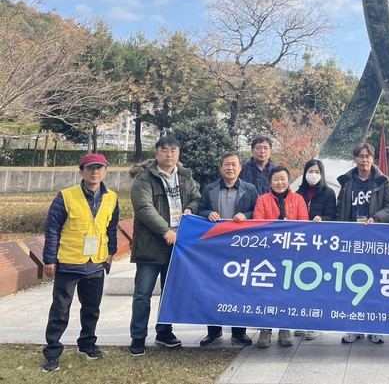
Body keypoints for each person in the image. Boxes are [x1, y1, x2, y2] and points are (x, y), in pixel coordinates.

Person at [41, 153, 119, 373]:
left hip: (96, 262)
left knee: (92, 308)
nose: (95, 172)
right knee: (60, 310)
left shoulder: (112, 198)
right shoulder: (65, 196)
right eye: (90, 168)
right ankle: (52, 352)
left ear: (105, 171)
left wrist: (111, 252)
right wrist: (49, 259)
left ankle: (87, 344)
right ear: (81, 171)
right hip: (69, 261)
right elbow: (52, 229)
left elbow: (111, 228)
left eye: (99, 168)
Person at [129, 135, 200, 357]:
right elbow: (144, 208)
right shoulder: (144, 178)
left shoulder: (185, 176)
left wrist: (191, 208)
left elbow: (197, 198)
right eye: (165, 150)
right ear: (156, 153)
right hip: (151, 244)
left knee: (170, 292)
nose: (169, 154)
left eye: (173, 150)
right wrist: (165, 230)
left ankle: (164, 332)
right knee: (143, 294)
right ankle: (138, 337)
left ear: (178, 153)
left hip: (178, 244)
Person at [337, 143, 389, 345]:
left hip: (374, 240)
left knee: (375, 283)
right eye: (360, 156)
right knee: (353, 282)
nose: (364, 160)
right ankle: (354, 327)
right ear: (354, 159)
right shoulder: (346, 182)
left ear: (373, 159)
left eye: (368, 156)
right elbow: (340, 210)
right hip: (352, 239)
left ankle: (375, 327)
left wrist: (377, 218)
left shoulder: (383, 181)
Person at [198, 152, 259, 347]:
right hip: (215, 247)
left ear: (240, 168)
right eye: (226, 164)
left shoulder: (249, 189)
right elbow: (200, 209)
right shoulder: (210, 189)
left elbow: (258, 212)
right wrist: (208, 213)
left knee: (238, 289)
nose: (230, 168)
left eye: (234, 164)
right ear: (220, 167)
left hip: (240, 247)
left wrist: (246, 215)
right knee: (212, 288)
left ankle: (239, 332)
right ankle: (213, 331)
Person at [253, 165, 310, 348]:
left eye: (283, 178)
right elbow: (258, 224)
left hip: (291, 255)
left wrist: (289, 228)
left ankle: (284, 328)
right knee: (267, 292)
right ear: (270, 182)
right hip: (269, 255)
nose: (280, 182)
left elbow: (304, 224)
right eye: (276, 179)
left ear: (288, 180)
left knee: (287, 292)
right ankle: (265, 329)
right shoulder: (262, 200)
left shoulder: (298, 199)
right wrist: (277, 228)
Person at [293, 158, 336, 341]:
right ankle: (301, 321)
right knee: (300, 283)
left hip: (320, 246)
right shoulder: (297, 193)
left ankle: (316, 322)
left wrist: (322, 219)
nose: (313, 175)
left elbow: (333, 216)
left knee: (316, 284)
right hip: (301, 245)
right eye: (310, 171)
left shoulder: (328, 193)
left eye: (317, 172)